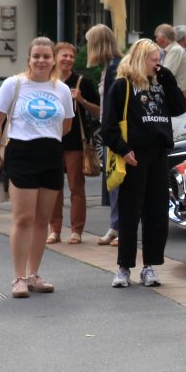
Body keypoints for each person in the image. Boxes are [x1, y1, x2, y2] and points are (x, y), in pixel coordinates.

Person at [0, 37, 74, 298]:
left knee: (42, 220)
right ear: (29, 58)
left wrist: (44, 132)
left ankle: (33, 274)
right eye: (36, 56)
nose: (41, 61)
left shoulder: (61, 89)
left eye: (46, 56)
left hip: (51, 154)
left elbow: (66, 124)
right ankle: (18, 277)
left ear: (53, 60)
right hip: (21, 153)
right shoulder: (13, 84)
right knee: (23, 218)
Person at [103, 38, 186, 288]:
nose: (157, 64)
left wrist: (168, 79)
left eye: (159, 60)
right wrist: (123, 150)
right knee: (130, 211)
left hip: (159, 152)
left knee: (156, 212)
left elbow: (179, 107)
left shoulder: (160, 82)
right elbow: (108, 125)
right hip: (134, 155)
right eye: (154, 60)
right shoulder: (122, 86)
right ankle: (124, 267)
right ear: (141, 60)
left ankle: (150, 266)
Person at [47, 41, 89, 245]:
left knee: (76, 187)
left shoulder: (81, 82)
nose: (68, 59)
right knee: (53, 187)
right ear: (55, 57)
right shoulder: (46, 81)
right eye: (64, 55)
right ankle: (54, 230)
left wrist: (82, 101)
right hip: (51, 140)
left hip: (74, 142)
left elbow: (99, 111)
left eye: (71, 56)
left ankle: (76, 230)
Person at [84, 24, 122, 246]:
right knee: (114, 182)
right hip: (111, 132)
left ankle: (120, 227)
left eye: (90, 42)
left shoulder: (115, 68)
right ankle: (116, 226)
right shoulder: (111, 66)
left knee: (118, 181)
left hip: (114, 133)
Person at [154, 24, 186, 112]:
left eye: (156, 36)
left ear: (162, 38)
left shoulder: (175, 50)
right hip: (174, 95)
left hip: (175, 97)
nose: (155, 39)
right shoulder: (170, 50)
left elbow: (165, 74)